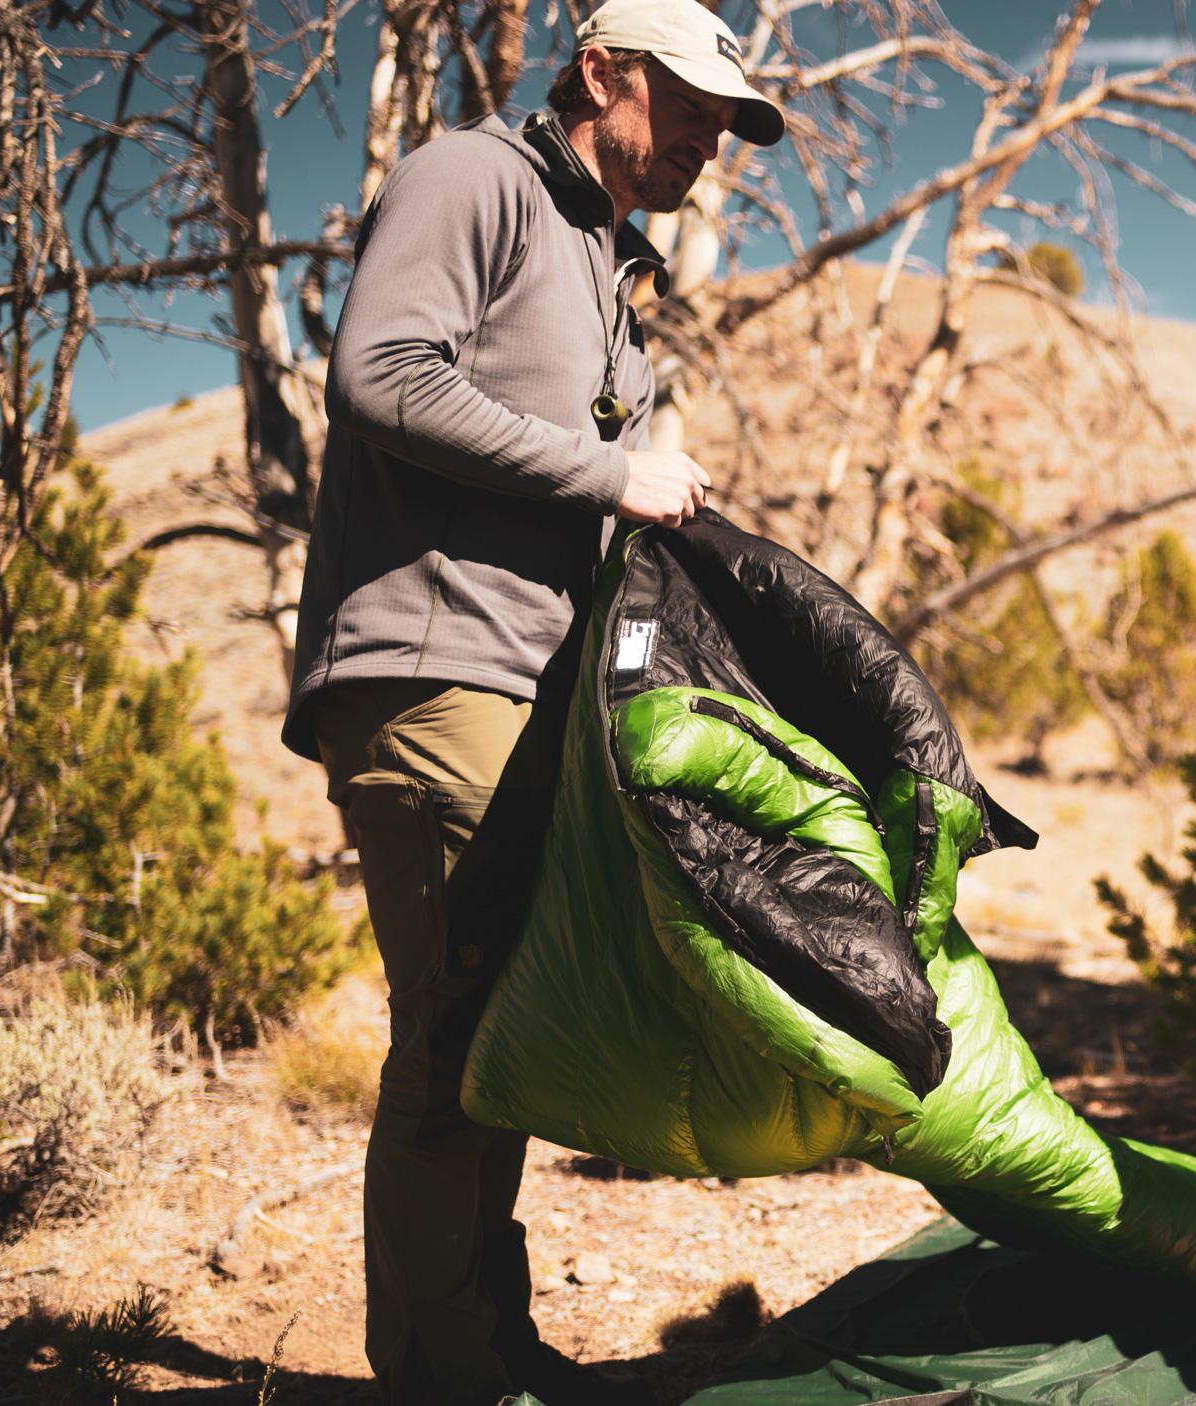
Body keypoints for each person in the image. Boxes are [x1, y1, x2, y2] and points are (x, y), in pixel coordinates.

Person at [282, 1, 783, 1398]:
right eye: (687, 101)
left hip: (527, 687)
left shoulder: (605, 261)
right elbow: (377, 373)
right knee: (458, 1031)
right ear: (599, 69)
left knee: (495, 1026)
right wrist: (606, 470)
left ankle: (475, 1344)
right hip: (435, 671)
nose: (708, 138)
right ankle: (448, 1370)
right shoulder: (474, 178)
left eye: (727, 122)